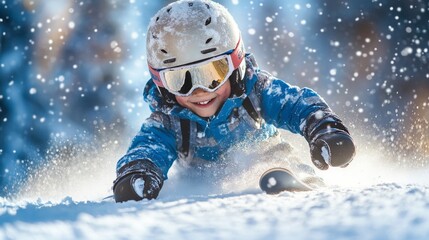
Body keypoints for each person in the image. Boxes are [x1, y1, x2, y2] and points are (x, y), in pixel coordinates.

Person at [112, 0, 355, 202]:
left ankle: (305, 185)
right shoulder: (167, 120)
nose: (198, 90)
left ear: (235, 66)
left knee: (278, 162)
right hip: (201, 187)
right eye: (180, 80)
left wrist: (324, 129)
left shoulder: (255, 91)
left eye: (212, 74)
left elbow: (295, 105)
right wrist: (139, 172)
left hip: (272, 161)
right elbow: (148, 147)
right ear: (162, 85)